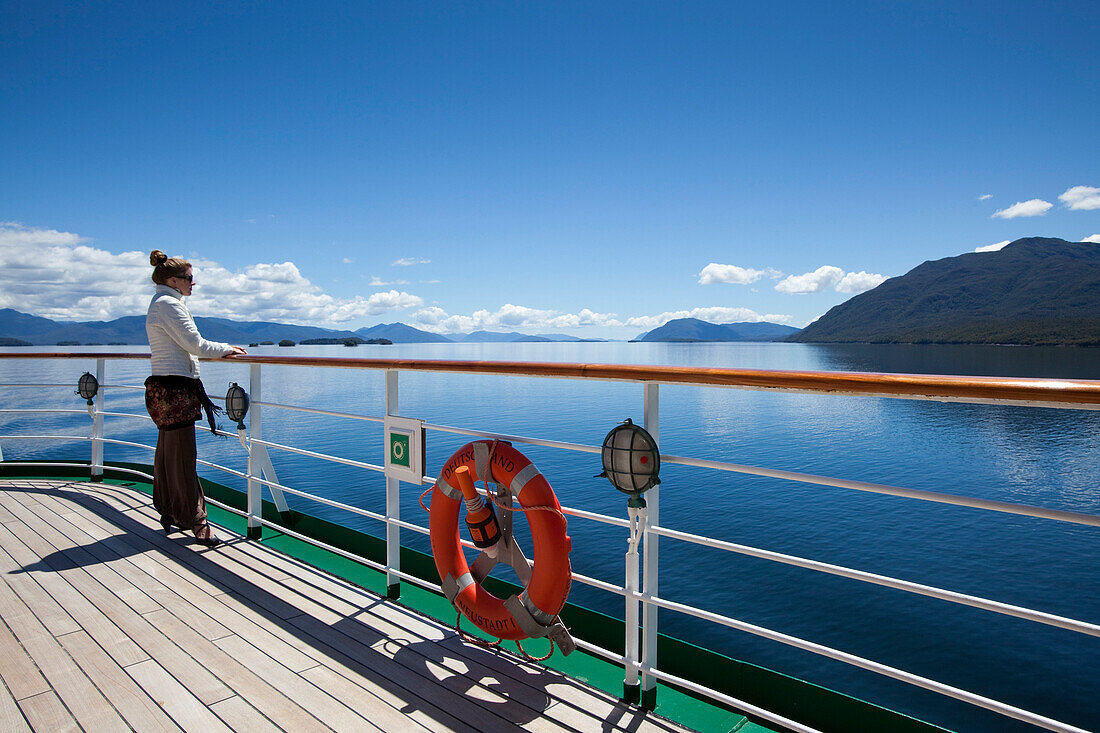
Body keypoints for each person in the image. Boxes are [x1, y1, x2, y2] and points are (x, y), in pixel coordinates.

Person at [145, 250, 246, 546]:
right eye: (190, 278)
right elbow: (195, 344)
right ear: (174, 280)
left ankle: (170, 511)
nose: (194, 283)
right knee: (182, 457)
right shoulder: (168, 305)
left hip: (166, 389)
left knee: (169, 456)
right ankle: (197, 523)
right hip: (174, 391)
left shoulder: (162, 303)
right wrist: (228, 347)